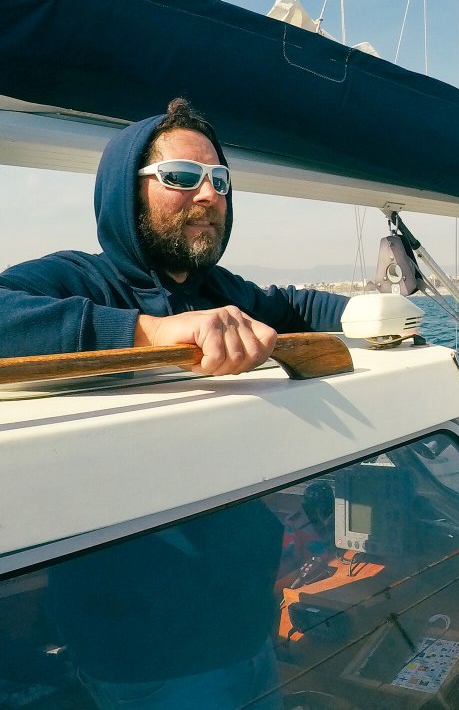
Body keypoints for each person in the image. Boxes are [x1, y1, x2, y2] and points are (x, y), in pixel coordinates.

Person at [0, 97, 350, 708]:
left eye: (219, 181)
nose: (208, 196)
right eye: (182, 178)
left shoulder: (224, 292)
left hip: (247, 622)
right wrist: (148, 333)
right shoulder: (77, 280)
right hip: (145, 648)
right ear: (125, 193)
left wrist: (378, 314)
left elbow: (297, 305)